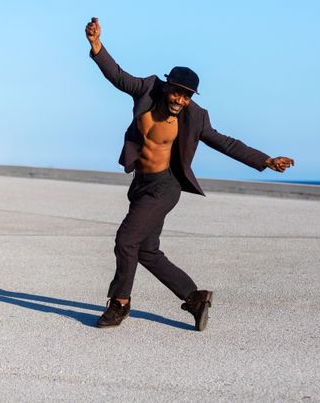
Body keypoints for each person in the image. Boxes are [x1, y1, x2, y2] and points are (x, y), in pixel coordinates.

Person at [85, 17, 294, 331]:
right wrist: (97, 46)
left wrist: (265, 160)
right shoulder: (146, 89)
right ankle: (195, 298)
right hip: (140, 184)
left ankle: (120, 304)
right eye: (178, 94)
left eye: (187, 96)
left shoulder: (195, 117)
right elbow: (117, 76)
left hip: (165, 187)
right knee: (146, 250)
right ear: (168, 86)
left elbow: (226, 143)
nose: (181, 101)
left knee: (125, 240)